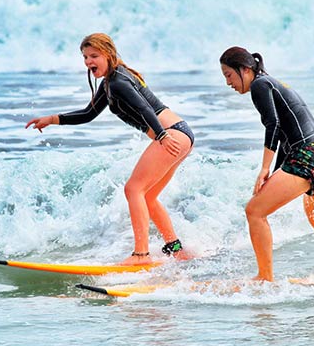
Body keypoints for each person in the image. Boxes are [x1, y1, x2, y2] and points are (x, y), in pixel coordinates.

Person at [26, 33, 193, 265]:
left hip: (171, 135)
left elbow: (145, 109)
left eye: (94, 56)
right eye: (85, 57)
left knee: (133, 189)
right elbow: (88, 113)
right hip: (180, 134)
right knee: (149, 196)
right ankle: (175, 249)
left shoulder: (118, 82)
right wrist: (52, 119)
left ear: (108, 54)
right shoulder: (111, 82)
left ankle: (141, 255)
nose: (88, 61)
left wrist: (162, 135)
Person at [219, 46, 314, 281]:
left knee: (254, 211)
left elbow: (272, 125)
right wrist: (273, 175)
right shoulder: (271, 82)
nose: (228, 83)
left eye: (228, 75)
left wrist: (264, 170)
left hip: (308, 155)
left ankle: (264, 278)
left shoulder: (259, 85)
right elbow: (286, 137)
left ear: (244, 69)